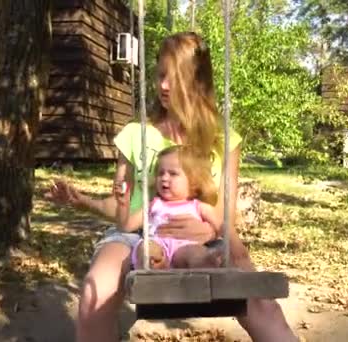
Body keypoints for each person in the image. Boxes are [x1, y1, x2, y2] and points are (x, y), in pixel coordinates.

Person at [48, 32, 297, 342]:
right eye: (160, 75)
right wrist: (83, 201)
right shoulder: (135, 133)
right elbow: (124, 209)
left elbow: (225, 215)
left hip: (202, 236)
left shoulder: (223, 139)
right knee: (94, 294)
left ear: (197, 81)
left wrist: (214, 236)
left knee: (262, 305)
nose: (163, 85)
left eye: (174, 77)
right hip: (136, 233)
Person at [115, 145, 222, 270]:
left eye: (173, 174)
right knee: (146, 248)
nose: (164, 178)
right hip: (157, 243)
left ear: (194, 182)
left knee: (196, 253)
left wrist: (212, 234)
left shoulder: (199, 207)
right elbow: (126, 226)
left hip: (185, 246)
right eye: (161, 173)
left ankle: (206, 262)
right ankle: (153, 265)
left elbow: (222, 227)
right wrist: (123, 205)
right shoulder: (154, 205)